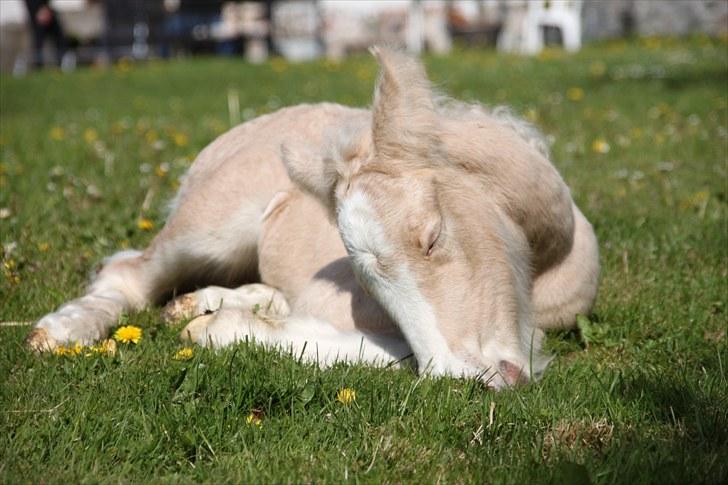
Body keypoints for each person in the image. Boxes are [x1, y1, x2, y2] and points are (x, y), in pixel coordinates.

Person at [23, 0, 73, 70]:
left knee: (60, 38)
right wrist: (36, 11)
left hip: (47, 9)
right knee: (38, 42)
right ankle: (37, 67)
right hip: (36, 13)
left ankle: (63, 63)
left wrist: (46, 8)